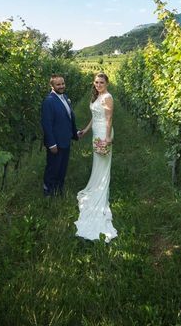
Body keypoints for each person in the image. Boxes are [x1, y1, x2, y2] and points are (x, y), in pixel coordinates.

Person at [74, 73, 118, 243]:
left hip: (103, 133)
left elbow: (108, 119)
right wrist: (85, 131)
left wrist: (107, 138)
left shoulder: (107, 97)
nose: (99, 84)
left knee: (103, 164)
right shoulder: (97, 96)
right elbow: (95, 116)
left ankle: (101, 188)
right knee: (97, 163)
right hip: (95, 133)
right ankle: (96, 184)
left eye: (102, 82)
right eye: (96, 82)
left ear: (107, 83)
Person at [41, 74, 79, 197]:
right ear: (51, 86)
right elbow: (47, 124)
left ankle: (59, 189)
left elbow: (68, 119)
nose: (61, 86)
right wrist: (52, 143)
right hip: (56, 142)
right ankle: (48, 192)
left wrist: (75, 133)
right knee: (53, 167)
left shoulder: (65, 97)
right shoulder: (49, 101)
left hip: (65, 140)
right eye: (58, 84)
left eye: (62, 83)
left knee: (62, 167)